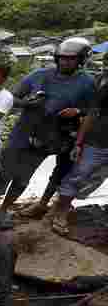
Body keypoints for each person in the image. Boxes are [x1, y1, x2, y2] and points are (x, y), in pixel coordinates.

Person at [1, 38, 97, 223]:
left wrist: (77, 111)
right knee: (14, 173)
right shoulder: (38, 75)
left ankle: (33, 205)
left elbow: (93, 110)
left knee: (48, 174)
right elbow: (10, 98)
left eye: (71, 59)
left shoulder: (87, 82)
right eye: (62, 58)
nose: (65, 62)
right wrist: (28, 103)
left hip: (62, 135)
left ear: (81, 60)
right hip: (32, 133)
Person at [49, 58, 108, 236]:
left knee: (88, 178)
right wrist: (79, 142)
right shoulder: (104, 87)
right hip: (97, 142)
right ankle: (60, 212)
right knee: (77, 176)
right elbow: (91, 115)